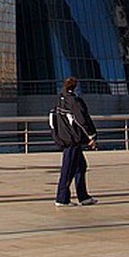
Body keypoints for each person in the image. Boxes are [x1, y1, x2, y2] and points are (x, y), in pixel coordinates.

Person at [52, 76, 98, 206]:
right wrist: (92, 136)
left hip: (66, 138)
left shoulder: (60, 100)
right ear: (75, 87)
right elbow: (82, 120)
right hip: (73, 140)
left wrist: (56, 136)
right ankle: (62, 198)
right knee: (68, 170)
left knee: (81, 167)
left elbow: (52, 120)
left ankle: (83, 196)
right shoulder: (74, 101)